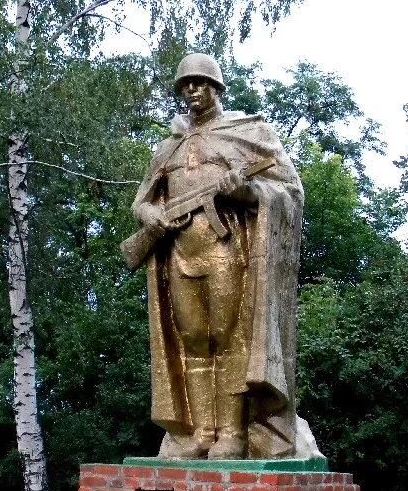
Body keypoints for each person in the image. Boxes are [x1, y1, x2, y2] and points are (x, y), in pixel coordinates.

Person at [130, 53, 321, 461]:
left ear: (217, 87)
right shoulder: (168, 147)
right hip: (181, 253)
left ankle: (233, 434)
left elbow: (289, 191)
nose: (193, 91)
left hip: (226, 250)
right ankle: (202, 433)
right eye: (186, 85)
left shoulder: (248, 133)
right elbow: (141, 202)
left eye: (200, 83)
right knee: (194, 342)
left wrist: (247, 192)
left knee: (230, 336)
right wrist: (152, 215)